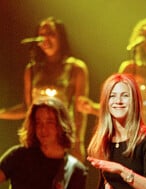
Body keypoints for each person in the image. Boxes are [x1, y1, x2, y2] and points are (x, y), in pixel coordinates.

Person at [0, 16, 89, 161]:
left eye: (51, 34)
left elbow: (80, 112)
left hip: (62, 138)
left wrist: (78, 143)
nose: (45, 39)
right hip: (37, 139)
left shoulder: (76, 68)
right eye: (41, 35)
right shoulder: (32, 69)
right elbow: (27, 108)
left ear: (61, 37)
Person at [78, 16, 146, 125]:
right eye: (145, 37)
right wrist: (92, 108)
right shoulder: (130, 69)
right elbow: (117, 106)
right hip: (137, 133)